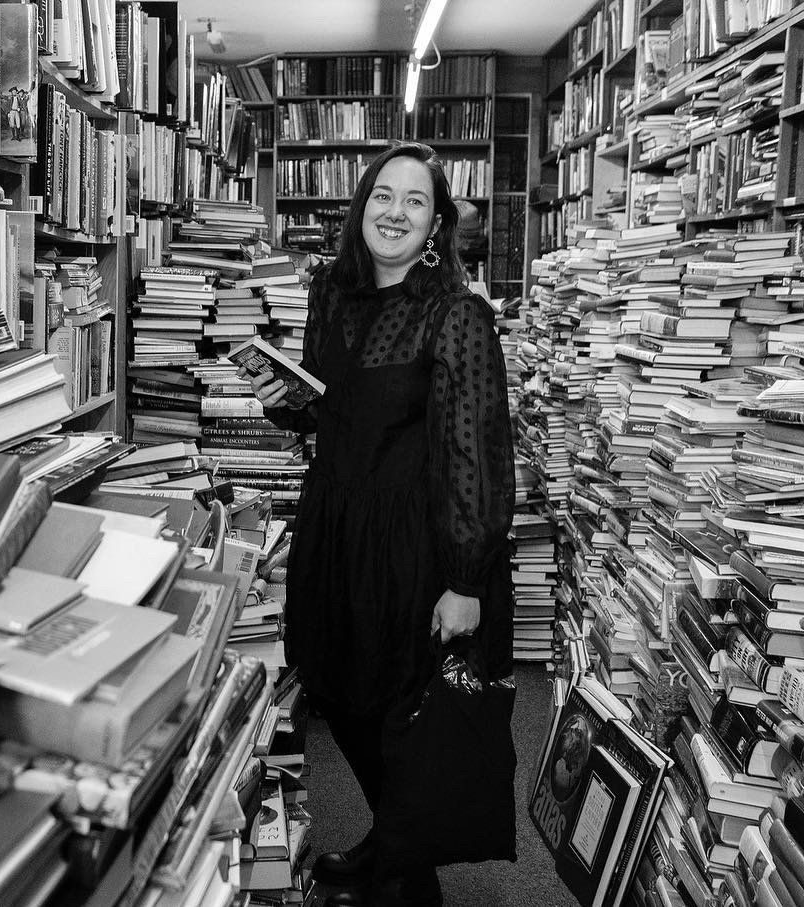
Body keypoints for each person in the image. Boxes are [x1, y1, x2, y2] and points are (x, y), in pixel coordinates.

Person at [242, 143, 516, 907]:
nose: (394, 212)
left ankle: (406, 872)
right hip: (334, 520)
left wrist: (465, 578)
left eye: (414, 201)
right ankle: (387, 837)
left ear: (436, 224)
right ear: (360, 208)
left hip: (415, 540)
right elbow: (323, 411)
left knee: (404, 710)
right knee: (342, 693)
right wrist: (279, 396)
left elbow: (478, 449)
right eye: (381, 196)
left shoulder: (455, 315)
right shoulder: (330, 293)